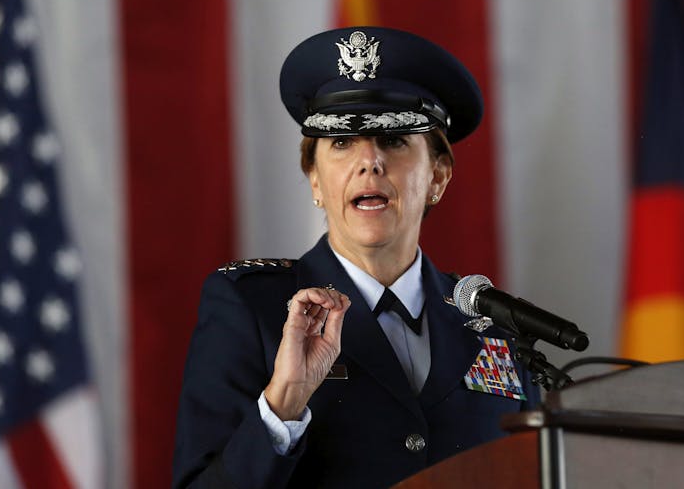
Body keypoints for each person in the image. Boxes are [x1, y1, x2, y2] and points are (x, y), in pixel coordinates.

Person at [172, 27, 541, 489]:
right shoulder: (252, 309)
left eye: (394, 141)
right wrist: (282, 404)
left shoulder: (492, 322)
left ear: (438, 177)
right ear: (314, 178)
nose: (369, 162)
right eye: (342, 143)